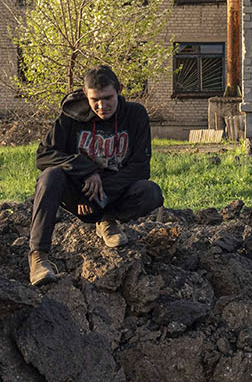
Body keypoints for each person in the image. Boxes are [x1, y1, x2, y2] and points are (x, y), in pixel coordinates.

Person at [28, 64, 164, 285]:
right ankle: (38, 257)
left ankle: (107, 219)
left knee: (151, 192)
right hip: (78, 192)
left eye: (108, 98)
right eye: (95, 100)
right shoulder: (71, 116)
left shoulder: (135, 115)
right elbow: (43, 156)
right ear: (85, 94)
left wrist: (100, 197)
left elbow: (141, 167)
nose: (102, 106)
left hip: (113, 193)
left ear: (119, 90)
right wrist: (86, 170)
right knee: (50, 177)